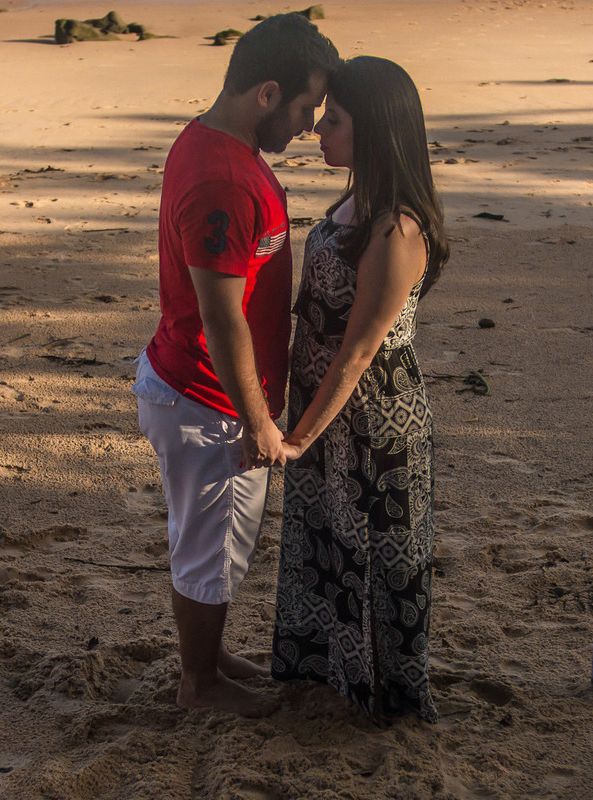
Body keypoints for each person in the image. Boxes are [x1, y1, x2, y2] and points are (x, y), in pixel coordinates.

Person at [132, 14, 340, 718]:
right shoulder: (223, 177)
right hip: (206, 398)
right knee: (214, 548)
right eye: (307, 107)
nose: (310, 125)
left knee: (203, 538)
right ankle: (201, 685)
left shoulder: (217, 142)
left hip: (190, 384)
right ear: (267, 92)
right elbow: (221, 316)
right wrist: (256, 419)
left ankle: (207, 655)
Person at [271, 56, 450, 723]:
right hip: (326, 411)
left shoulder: (396, 228)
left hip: (373, 420)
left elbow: (360, 351)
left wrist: (296, 439)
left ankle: (385, 700)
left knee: (376, 556)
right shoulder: (353, 203)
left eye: (335, 121)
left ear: (372, 131)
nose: (319, 131)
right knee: (328, 542)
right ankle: (332, 675)